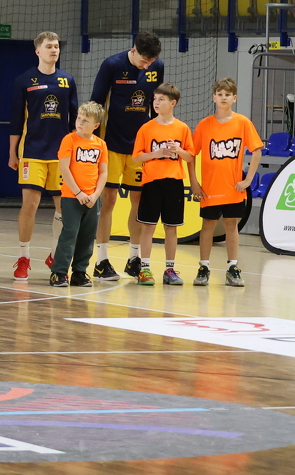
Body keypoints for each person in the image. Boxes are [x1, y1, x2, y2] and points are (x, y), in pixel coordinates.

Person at [89, 31, 164, 281]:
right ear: (133, 51)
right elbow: (96, 104)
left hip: (140, 148)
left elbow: (156, 106)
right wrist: (93, 142)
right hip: (111, 144)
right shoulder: (111, 65)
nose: (147, 66)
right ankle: (101, 261)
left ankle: (134, 259)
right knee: (108, 200)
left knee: (138, 201)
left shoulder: (157, 67)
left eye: (151, 62)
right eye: (144, 61)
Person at [8, 31, 78, 282]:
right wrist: (12, 152)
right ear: (38, 51)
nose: (54, 50)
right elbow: (16, 119)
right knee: (30, 204)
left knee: (63, 207)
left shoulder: (67, 80)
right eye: (49, 46)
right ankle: (24, 257)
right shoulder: (24, 80)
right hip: (32, 151)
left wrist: (75, 152)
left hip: (61, 154)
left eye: (56, 46)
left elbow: (75, 120)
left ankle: (56, 256)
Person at [191, 79, 263, 287]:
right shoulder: (204, 125)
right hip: (210, 188)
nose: (223, 98)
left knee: (231, 225)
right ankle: (203, 267)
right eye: (220, 94)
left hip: (233, 188)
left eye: (227, 95)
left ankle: (232, 268)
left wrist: (248, 179)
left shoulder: (243, 122)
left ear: (234, 98)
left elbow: (256, 150)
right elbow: (191, 154)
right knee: (208, 225)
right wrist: (194, 182)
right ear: (214, 97)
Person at [130, 83, 196, 286]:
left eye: (161, 99)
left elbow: (190, 156)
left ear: (173, 103)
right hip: (152, 183)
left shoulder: (182, 128)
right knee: (148, 226)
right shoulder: (146, 128)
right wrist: (156, 153)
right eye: (155, 99)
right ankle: (145, 268)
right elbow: (136, 157)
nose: (156, 103)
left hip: (174, 183)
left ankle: (170, 269)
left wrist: (178, 150)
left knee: (171, 227)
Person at [51, 102, 110, 288]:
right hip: (72, 197)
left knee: (87, 236)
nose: (80, 122)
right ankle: (59, 272)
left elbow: (103, 172)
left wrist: (95, 195)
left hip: (92, 200)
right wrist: (78, 192)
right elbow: (64, 168)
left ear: (96, 125)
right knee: (69, 234)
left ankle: (79, 272)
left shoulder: (101, 145)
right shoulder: (69, 140)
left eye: (86, 121)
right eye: (79, 118)